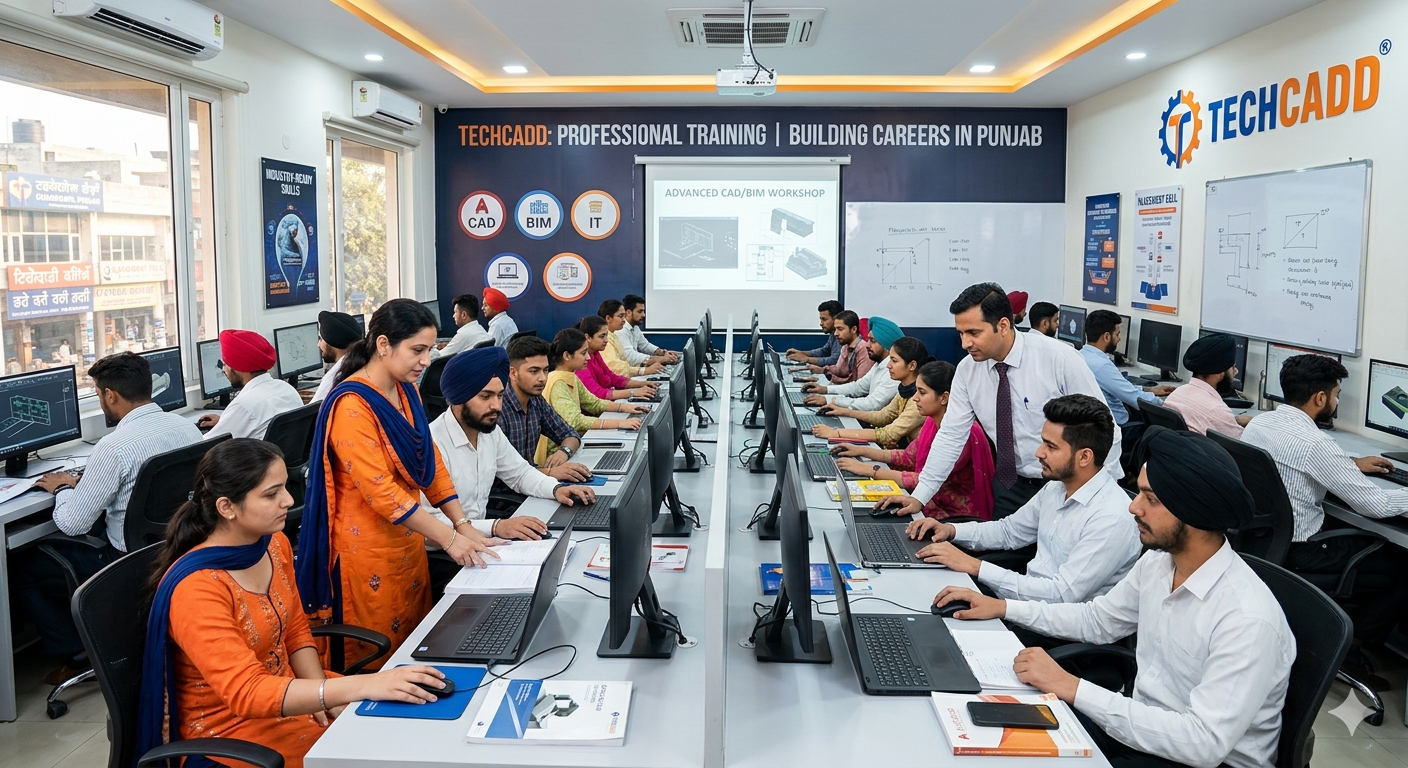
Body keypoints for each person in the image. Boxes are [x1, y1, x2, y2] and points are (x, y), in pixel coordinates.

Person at [934, 428, 1294, 768]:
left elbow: (1203, 742)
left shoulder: (1247, 618)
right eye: (1139, 493)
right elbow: (1097, 620)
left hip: (1197, 758)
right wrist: (1004, 607)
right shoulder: (1158, 564)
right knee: (992, 734)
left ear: (1195, 512)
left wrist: (1072, 687)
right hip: (1143, 732)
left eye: (1150, 499)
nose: (1133, 508)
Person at [139, 439, 450, 768]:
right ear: (227, 507)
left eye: (285, 488)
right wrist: (354, 686)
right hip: (231, 735)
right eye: (271, 495)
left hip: (291, 693)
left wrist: (320, 696)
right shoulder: (197, 588)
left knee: (413, 729)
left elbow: (296, 629)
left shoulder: (273, 544)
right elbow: (247, 693)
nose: (288, 501)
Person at [296, 299, 502, 669]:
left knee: (415, 650)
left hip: (408, 546)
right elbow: (382, 493)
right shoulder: (352, 405)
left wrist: (463, 525)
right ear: (384, 345)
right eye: (418, 350)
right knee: (377, 664)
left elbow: (429, 462)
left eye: (430, 349)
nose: (426, 361)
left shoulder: (405, 390)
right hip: (366, 554)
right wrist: (450, 539)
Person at [16, 352, 202, 684]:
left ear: (110, 395)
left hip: (127, 559)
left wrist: (62, 488)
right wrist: (84, 485)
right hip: (177, 547)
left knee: (23, 567)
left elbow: (73, 523)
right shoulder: (185, 428)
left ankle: (76, 654)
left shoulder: (113, 447)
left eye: (99, 394)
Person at [878, 284, 1119, 520]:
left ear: (1003, 325)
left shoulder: (1058, 359)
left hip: (1065, 485)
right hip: (1010, 484)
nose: (965, 344)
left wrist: (1095, 496)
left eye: (974, 333)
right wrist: (919, 496)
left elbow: (1106, 430)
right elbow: (951, 435)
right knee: (1007, 555)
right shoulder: (967, 371)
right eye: (961, 334)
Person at [909, 395, 1141, 640]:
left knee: (941, 642)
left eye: (1051, 447)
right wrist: (951, 531)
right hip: (1024, 607)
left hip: (1057, 631)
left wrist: (976, 567)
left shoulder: (1111, 518)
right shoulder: (1058, 486)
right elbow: (1010, 531)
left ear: (1084, 457)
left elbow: (1061, 595)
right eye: (1043, 442)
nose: (1039, 453)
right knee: (924, 611)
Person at [1242, 354, 1408, 678]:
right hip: (1302, 549)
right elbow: (1375, 505)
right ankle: (1350, 647)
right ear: (1320, 398)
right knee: (1403, 566)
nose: (1335, 401)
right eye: (1336, 395)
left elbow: (1305, 455)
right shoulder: (1317, 445)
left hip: (1263, 539)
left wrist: (1347, 462)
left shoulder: (1261, 423)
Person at [424, 347, 597, 591]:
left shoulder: (489, 432)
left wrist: (556, 489)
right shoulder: (431, 444)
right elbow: (429, 523)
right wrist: (496, 526)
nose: (497, 405)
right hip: (442, 556)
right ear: (458, 397)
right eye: (485, 397)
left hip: (482, 543)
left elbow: (520, 473)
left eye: (500, 395)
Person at [834, 361, 993, 520]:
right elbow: (908, 457)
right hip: (927, 501)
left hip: (951, 515)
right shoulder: (931, 422)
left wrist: (869, 470)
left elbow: (925, 480)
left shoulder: (962, 434)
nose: (915, 398)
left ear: (944, 398)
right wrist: (861, 450)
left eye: (922, 393)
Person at [543, 328, 645, 462]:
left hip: (575, 446)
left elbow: (594, 403)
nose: (588, 358)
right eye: (583, 353)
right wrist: (620, 422)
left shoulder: (570, 376)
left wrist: (625, 407)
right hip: (560, 454)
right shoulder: (558, 382)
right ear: (567, 356)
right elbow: (576, 421)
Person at [499, 335, 592, 482]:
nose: (542, 378)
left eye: (546, 370)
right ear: (513, 373)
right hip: (507, 497)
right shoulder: (498, 410)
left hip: (534, 483)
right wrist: (549, 472)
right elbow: (502, 474)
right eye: (534, 371)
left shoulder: (536, 401)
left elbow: (570, 434)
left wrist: (564, 452)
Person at [810, 337, 931, 449]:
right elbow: (882, 416)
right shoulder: (904, 390)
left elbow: (888, 434)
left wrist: (835, 433)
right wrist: (843, 411)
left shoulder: (918, 399)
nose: (888, 365)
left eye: (894, 361)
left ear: (912, 365)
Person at [1079, 310, 1173, 447]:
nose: (1119, 339)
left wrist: (1148, 389)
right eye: (1117, 334)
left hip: (1093, 427)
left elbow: (1121, 388)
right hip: (1118, 428)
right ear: (1106, 336)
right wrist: (1168, 405)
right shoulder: (1101, 365)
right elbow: (1134, 398)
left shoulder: (1081, 355)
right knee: (1160, 433)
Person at [198, 329, 304, 440]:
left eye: (225, 364)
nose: (224, 370)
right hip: (280, 457)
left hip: (251, 457)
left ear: (238, 366)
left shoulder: (243, 405)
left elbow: (205, 445)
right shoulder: (287, 389)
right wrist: (224, 421)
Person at [802, 315, 902, 411]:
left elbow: (872, 404)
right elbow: (858, 387)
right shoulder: (878, 364)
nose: (867, 345)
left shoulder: (893, 372)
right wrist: (825, 389)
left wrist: (830, 400)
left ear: (886, 345)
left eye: (872, 341)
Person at [1162, 333, 1250, 438]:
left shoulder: (1176, 395)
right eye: (1232, 368)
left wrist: (1234, 420)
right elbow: (1242, 446)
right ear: (1220, 374)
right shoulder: (1216, 410)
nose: (1235, 372)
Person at [576, 315, 658, 401]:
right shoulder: (580, 362)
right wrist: (632, 392)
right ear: (588, 337)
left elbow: (612, 377)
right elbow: (597, 393)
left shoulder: (595, 353)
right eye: (602, 336)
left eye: (606, 335)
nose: (606, 340)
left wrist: (644, 384)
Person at [599, 299, 665, 378]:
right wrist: (644, 370)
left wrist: (646, 363)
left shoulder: (613, 335)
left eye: (624, 316)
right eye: (621, 316)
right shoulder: (606, 340)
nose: (624, 320)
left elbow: (624, 363)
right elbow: (615, 368)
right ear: (608, 318)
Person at [803, 310, 872, 385]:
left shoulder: (864, 350)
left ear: (854, 329)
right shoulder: (845, 347)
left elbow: (859, 386)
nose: (836, 333)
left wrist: (829, 379)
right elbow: (839, 370)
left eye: (840, 329)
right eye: (835, 329)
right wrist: (822, 370)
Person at [311, 311, 362, 404]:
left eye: (321, 339)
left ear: (333, 342)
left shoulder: (334, 378)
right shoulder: (360, 365)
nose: (318, 344)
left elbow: (311, 413)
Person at [430, 294, 494, 359]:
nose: (453, 316)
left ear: (463, 315)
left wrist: (430, 347)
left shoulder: (464, 334)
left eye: (455, 312)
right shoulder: (479, 328)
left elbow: (438, 357)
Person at [620, 294, 677, 364]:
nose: (643, 315)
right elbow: (630, 356)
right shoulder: (621, 330)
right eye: (640, 311)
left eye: (643, 311)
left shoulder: (635, 328)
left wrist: (662, 353)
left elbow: (645, 346)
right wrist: (660, 359)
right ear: (628, 312)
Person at [785, 300, 843, 366]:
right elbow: (824, 351)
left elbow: (835, 361)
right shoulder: (833, 333)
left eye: (824, 319)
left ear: (836, 319)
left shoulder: (842, 336)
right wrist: (802, 353)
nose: (821, 323)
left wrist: (806, 359)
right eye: (821, 319)